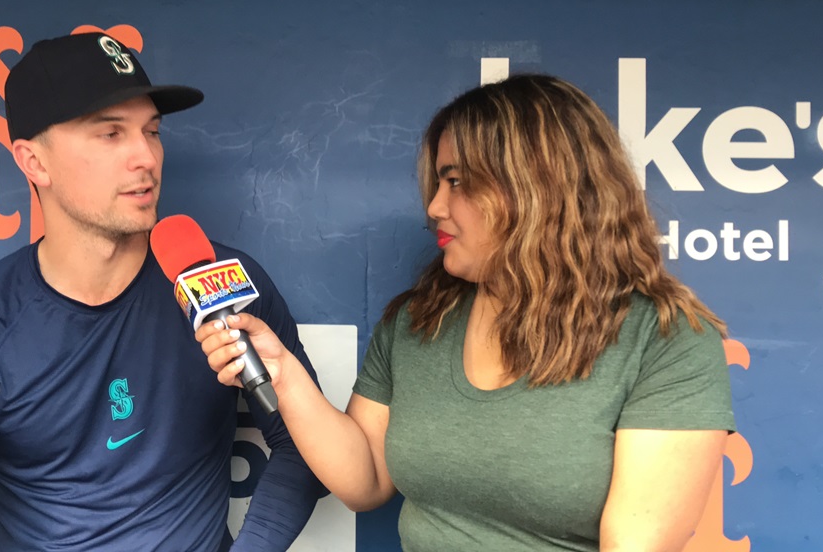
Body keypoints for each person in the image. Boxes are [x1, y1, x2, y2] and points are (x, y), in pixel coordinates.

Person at [198, 74, 735, 551]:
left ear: (538, 188)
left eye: (456, 182)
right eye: (438, 183)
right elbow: (366, 480)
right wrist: (283, 373)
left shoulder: (667, 342)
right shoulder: (419, 321)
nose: (434, 206)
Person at [0, 32, 325, 552]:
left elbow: (305, 446)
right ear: (34, 162)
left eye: (152, 131)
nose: (145, 157)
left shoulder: (224, 286)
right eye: (110, 134)